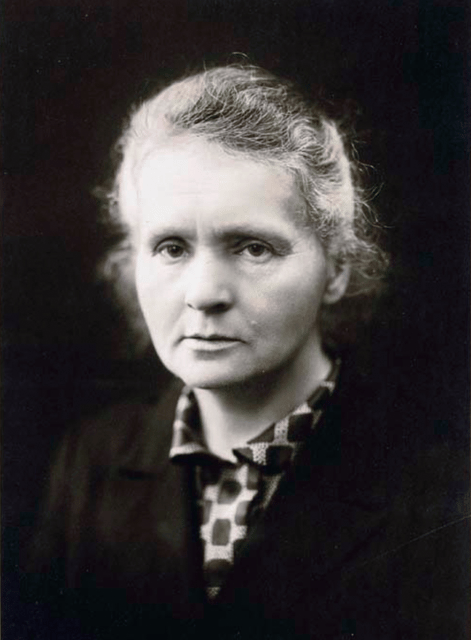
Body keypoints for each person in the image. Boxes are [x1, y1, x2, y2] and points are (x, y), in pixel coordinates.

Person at [25, 65, 467, 640]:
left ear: (336, 268)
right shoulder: (91, 462)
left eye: (253, 247)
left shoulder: (441, 492)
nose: (204, 294)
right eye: (171, 247)